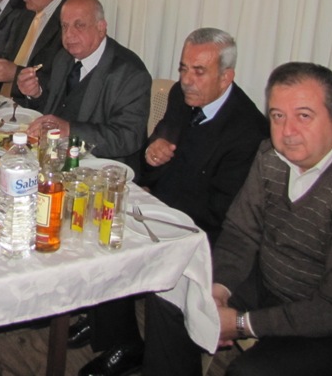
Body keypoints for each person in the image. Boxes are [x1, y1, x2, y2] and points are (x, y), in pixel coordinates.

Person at [142, 62, 332, 376]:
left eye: (304, 116)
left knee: (249, 372)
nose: (288, 132)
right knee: (173, 290)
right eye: (277, 116)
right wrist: (219, 290)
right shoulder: (271, 155)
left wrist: (242, 323)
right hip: (271, 283)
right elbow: (240, 232)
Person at [74, 27, 268, 376]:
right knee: (101, 216)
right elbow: (157, 154)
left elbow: (222, 214)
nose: (187, 80)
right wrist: (152, 154)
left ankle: (135, 345)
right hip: (167, 208)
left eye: (199, 71)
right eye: (183, 68)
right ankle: (118, 334)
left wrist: (156, 207)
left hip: (207, 233)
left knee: (122, 236)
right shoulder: (182, 96)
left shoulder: (248, 131)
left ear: (226, 77)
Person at [19, 0, 151, 166]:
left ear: (101, 28)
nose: (69, 34)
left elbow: (128, 137)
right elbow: (52, 110)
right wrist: (36, 94)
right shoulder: (64, 58)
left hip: (102, 167)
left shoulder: (130, 73)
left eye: (79, 25)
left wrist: (70, 130)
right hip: (57, 157)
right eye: (65, 26)